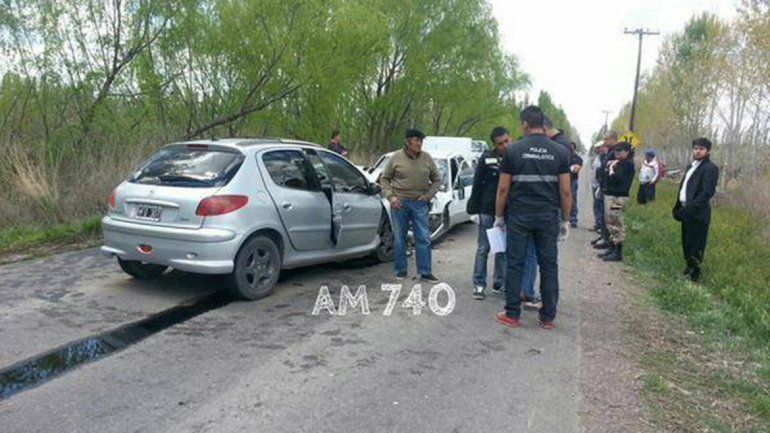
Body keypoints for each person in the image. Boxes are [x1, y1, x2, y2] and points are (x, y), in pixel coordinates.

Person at [493, 106, 572, 330]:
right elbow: (566, 191)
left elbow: (503, 188)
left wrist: (499, 216)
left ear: (525, 125)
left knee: (515, 263)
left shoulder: (513, 150)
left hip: (520, 215)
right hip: (548, 216)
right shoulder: (560, 151)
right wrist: (565, 220)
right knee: (549, 265)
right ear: (543, 125)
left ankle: (512, 314)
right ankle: (547, 317)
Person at [380, 128, 442, 283]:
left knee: (423, 238)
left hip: (420, 203)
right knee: (399, 238)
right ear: (408, 142)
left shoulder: (426, 158)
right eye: (417, 141)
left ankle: (425, 272)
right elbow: (384, 179)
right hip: (399, 203)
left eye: (421, 141)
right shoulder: (396, 158)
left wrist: (428, 196)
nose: (420, 144)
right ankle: (400, 270)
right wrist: (391, 196)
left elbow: (437, 180)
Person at [467, 127, 509, 300]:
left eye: (506, 141)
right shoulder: (486, 157)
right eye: (500, 143)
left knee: (502, 249)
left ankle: (499, 282)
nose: (504, 145)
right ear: (494, 144)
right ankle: (479, 283)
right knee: (483, 248)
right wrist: (473, 209)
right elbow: (477, 183)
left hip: (507, 210)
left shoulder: (515, 156)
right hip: (487, 209)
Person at [673, 138, 719, 282]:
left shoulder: (710, 168)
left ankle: (694, 275)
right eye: (696, 148)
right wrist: (680, 208)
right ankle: (688, 269)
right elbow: (685, 187)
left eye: (701, 149)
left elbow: (707, 192)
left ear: (708, 151)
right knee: (687, 242)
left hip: (698, 213)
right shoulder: (691, 166)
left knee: (696, 245)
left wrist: (691, 207)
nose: (698, 151)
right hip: (686, 210)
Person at [599, 142, 635, 262]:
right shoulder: (618, 163)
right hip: (612, 195)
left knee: (616, 223)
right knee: (610, 222)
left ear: (627, 152)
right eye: (615, 151)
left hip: (618, 197)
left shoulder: (628, 164)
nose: (617, 153)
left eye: (620, 151)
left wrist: (611, 169)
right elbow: (606, 178)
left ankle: (617, 252)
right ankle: (612, 247)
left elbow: (616, 180)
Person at [591, 132, 618, 249]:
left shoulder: (616, 152)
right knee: (604, 214)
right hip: (604, 186)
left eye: (606, 139)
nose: (605, 142)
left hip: (611, 188)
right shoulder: (610, 152)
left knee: (609, 217)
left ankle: (608, 240)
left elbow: (612, 170)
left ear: (613, 139)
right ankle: (603, 236)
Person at [569, 141, 583, 227]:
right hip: (564, 180)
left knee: (573, 199)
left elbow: (576, 170)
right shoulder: (564, 156)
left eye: (572, 147)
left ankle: (573, 219)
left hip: (573, 180)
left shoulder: (578, 159)